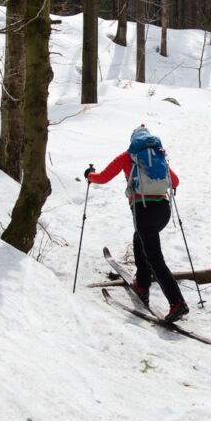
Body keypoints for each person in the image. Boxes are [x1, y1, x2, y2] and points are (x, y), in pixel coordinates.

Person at [85, 125, 189, 323]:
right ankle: (142, 284)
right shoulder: (159, 155)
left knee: (154, 258)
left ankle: (177, 302)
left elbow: (103, 177)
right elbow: (174, 181)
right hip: (163, 211)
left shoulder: (128, 156)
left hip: (143, 210)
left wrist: (89, 175)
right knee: (139, 239)